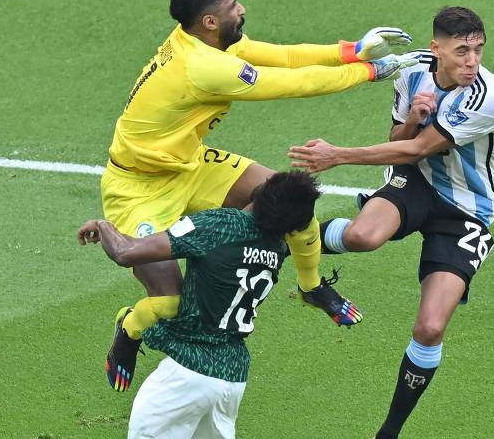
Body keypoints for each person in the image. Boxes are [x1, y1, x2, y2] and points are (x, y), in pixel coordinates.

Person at [101, 0, 418, 391]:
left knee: (292, 202)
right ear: (210, 21)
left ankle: (310, 286)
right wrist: (370, 72)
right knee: (170, 303)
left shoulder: (207, 41)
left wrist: (354, 49)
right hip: (137, 189)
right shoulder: (204, 66)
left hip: (190, 166)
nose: (242, 9)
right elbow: (294, 83)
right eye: (232, 7)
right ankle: (129, 328)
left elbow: (283, 56)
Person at [288, 6, 494, 439]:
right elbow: (400, 141)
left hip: (466, 208)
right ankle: (291, 241)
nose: (472, 61)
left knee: (429, 327)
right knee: (362, 236)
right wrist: (411, 118)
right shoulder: (413, 74)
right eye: (462, 51)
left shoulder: (486, 96)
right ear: (436, 49)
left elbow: (416, 149)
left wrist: (338, 155)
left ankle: (388, 431)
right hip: (417, 184)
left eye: (479, 50)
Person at [79, 171, 325, 438]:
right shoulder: (276, 248)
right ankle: (130, 328)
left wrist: (104, 226)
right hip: (232, 379)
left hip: (187, 375)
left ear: (261, 191)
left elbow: (125, 253)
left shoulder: (219, 225)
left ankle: (130, 328)